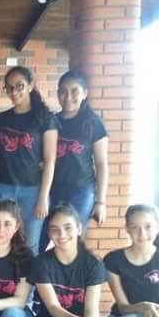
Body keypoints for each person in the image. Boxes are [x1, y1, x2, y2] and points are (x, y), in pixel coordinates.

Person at [0, 66, 59, 254]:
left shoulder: (45, 118)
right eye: (9, 87)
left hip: (33, 191)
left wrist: (43, 198)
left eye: (19, 86)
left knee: (30, 245)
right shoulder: (1, 119)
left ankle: (27, 276)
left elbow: (50, 160)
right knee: (1, 241)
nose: (14, 92)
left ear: (30, 85)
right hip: (3, 188)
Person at [39, 70, 108, 251]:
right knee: (42, 238)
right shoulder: (52, 121)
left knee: (72, 240)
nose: (68, 96)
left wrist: (101, 202)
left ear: (84, 93)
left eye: (74, 91)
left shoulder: (93, 123)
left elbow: (101, 163)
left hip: (81, 190)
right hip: (52, 189)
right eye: (63, 91)